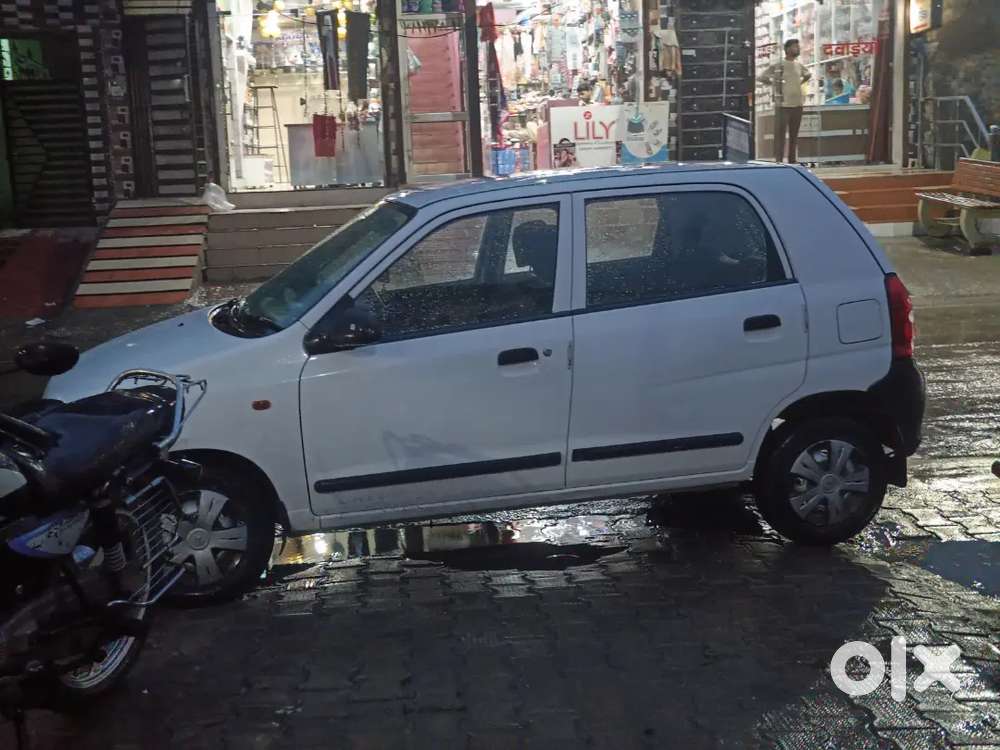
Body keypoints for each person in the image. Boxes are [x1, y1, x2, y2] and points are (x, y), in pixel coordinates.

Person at [759, 38, 811, 163]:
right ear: (787, 49)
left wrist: (800, 83)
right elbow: (761, 77)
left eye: (798, 47)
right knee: (780, 136)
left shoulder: (798, 65)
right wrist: (774, 83)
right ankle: (779, 161)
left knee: (794, 135)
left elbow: (808, 74)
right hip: (783, 105)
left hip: (797, 105)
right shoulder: (779, 65)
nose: (797, 49)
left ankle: (792, 160)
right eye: (795, 47)